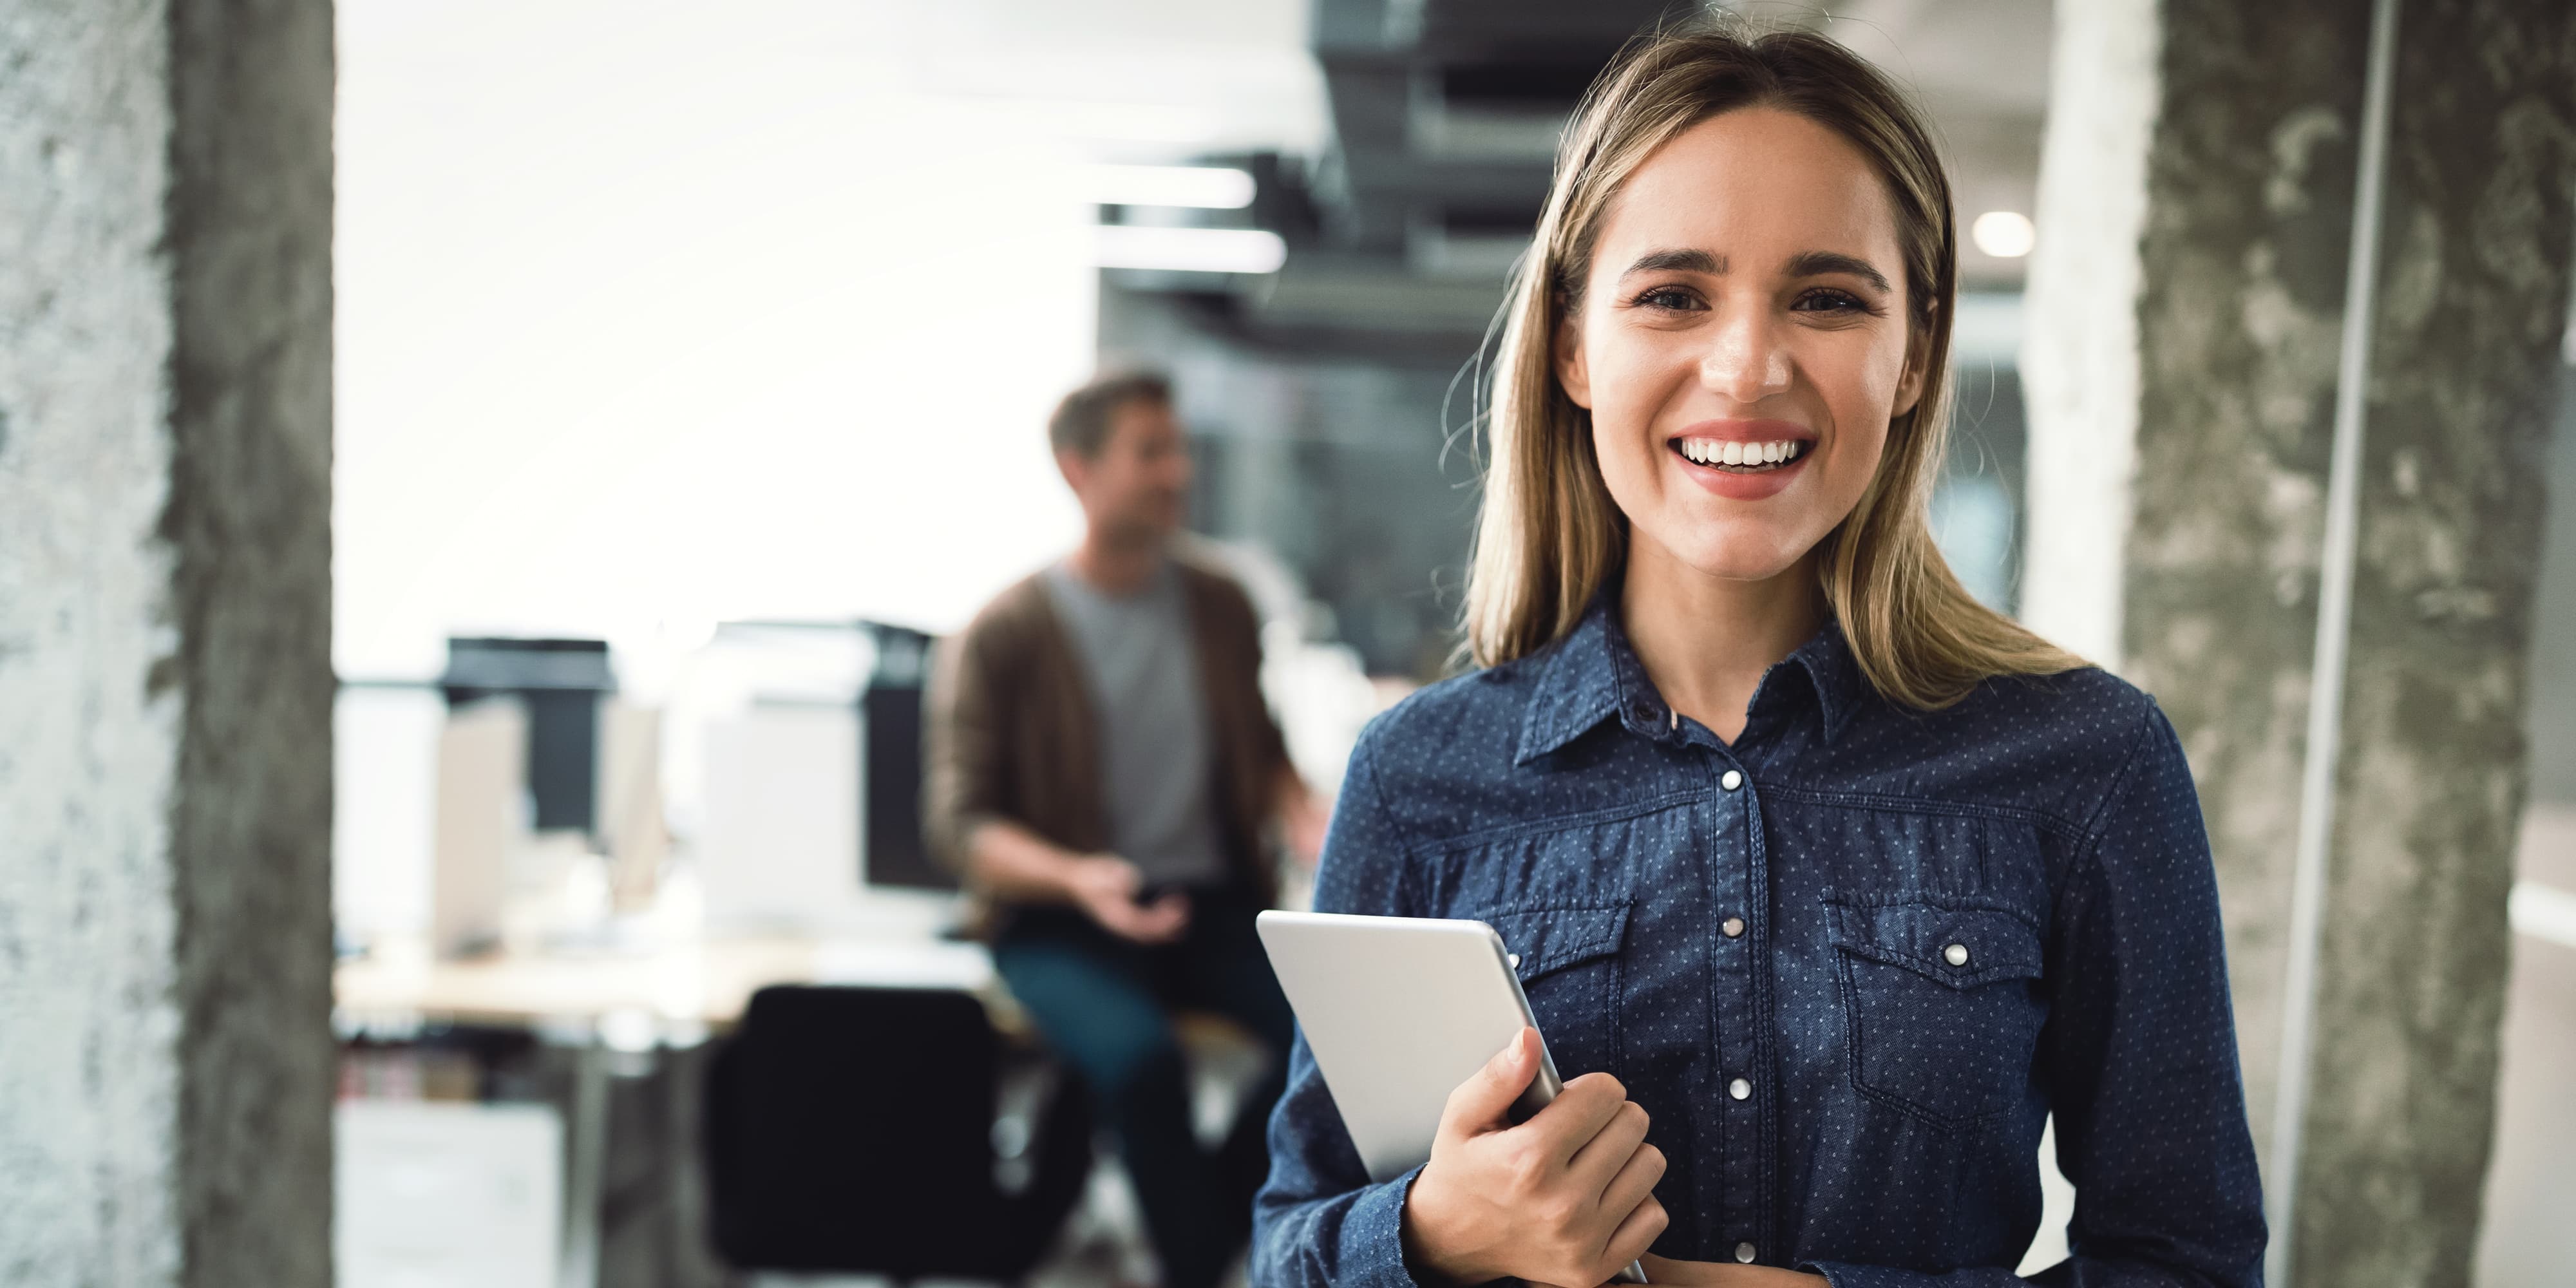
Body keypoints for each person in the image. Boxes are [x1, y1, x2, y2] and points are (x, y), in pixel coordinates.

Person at [1253, 21, 2265, 1288]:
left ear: (1910, 356)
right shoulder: (1417, 775)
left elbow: (2191, 1262)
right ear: (1573, 344)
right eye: (1672, 295)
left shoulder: (2083, 762)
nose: (1744, 367)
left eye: (1828, 299)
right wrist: (1430, 1235)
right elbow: (1286, 1242)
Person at [925, 370, 1328, 1288]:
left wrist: (1310, 816)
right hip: (1065, 919)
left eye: (1177, 449)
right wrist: (1079, 879)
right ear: (1079, 469)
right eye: (1151, 453)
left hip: (1210, 906)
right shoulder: (1004, 633)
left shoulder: (1220, 603)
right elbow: (962, 825)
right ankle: (1208, 1268)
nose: (1177, 471)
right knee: (1143, 1065)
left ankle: (1218, 1242)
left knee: (1332, 1040)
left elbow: (1263, 751)